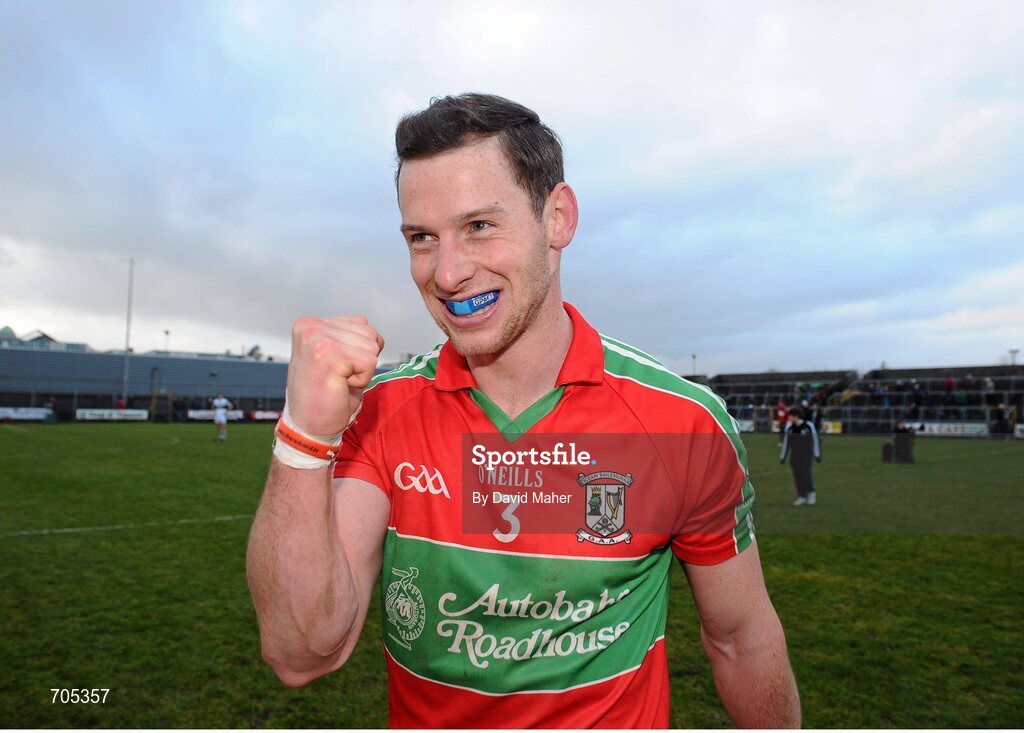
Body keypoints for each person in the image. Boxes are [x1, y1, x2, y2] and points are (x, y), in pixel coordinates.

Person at [246, 93, 800, 728]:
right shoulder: (381, 412)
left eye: (480, 225)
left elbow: (741, 637)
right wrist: (304, 437)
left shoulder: (683, 423)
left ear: (557, 217)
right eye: (422, 237)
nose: (447, 272)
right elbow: (301, 652)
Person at [779, 406, 821, 506]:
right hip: (795, 456)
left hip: (806, 455)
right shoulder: (789, 428)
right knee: (797, 476)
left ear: (796, 416)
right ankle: (801, 496)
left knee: (806, 474)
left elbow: (815, 439)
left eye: (790, 416)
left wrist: (817, 454)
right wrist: (783, 457)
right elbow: (786, 443)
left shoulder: (808, 426)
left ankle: (811, 493)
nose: (789, 418)